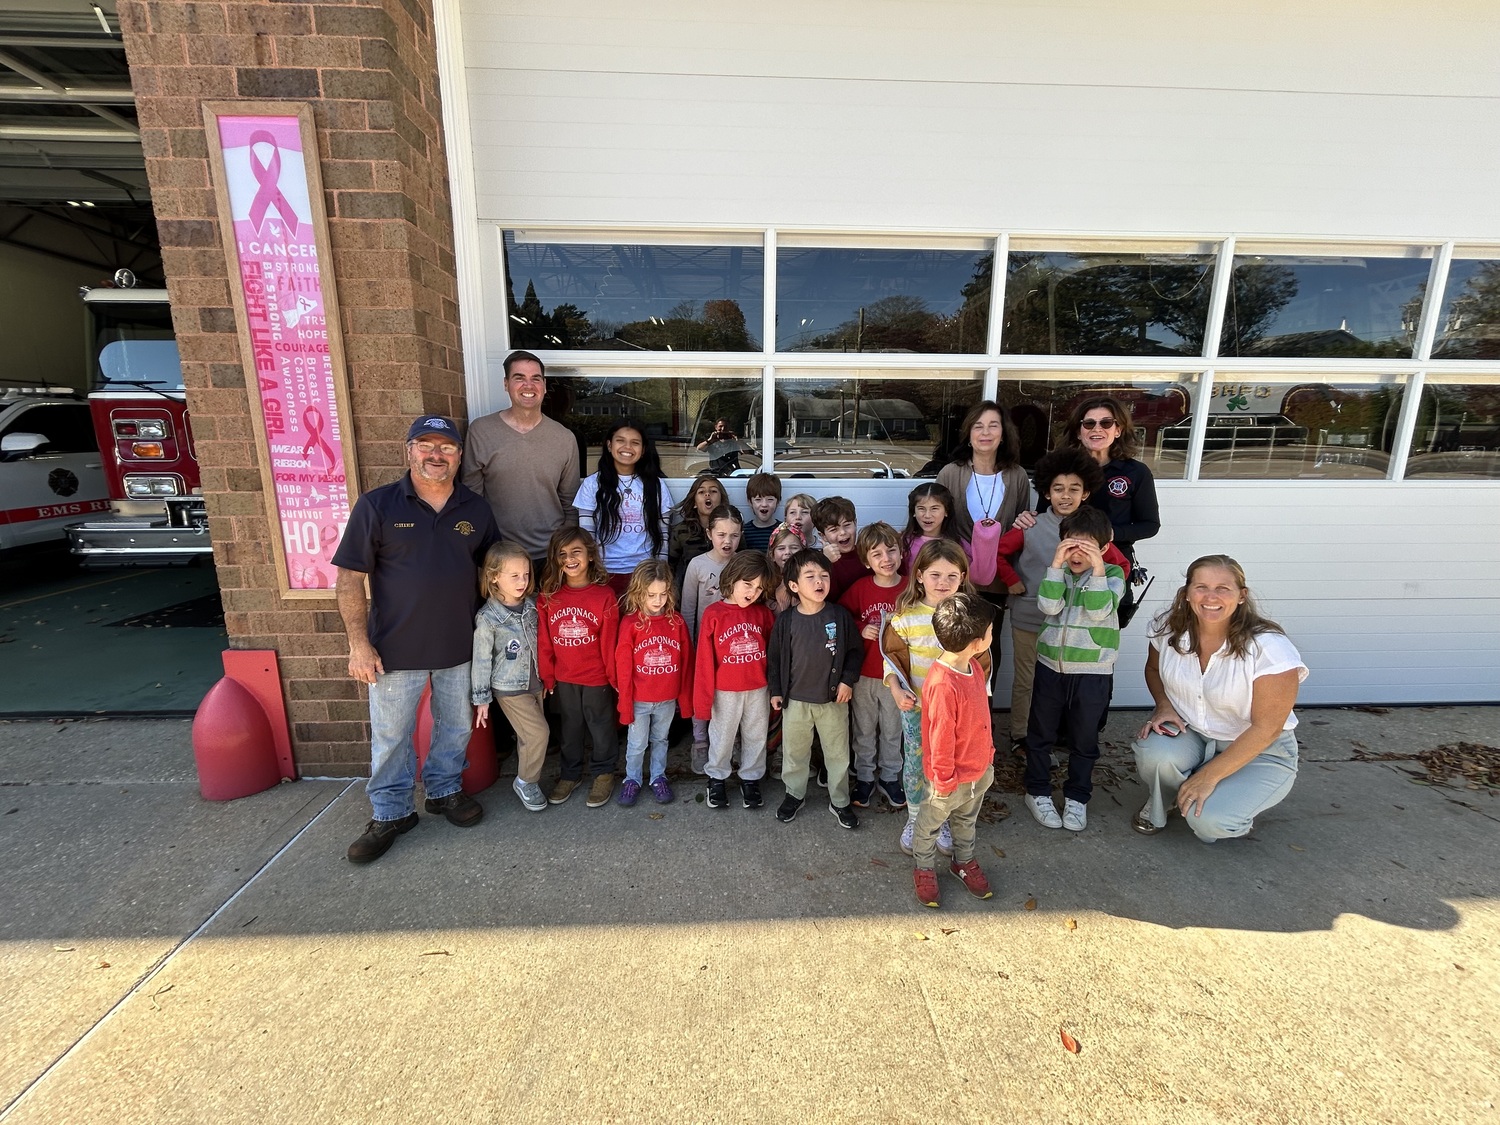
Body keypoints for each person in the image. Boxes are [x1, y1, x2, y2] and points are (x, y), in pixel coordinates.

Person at [334, 414, 499, 864]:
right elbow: (349, 578)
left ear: (459, 456)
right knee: (391, 735)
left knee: (457, 725)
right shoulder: (378, 505)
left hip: (459, 643)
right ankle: (391, 812)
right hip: (393, 648)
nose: (435, 455)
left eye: (446, 447)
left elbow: (494, 573)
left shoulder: (476, 509)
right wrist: (358, 644)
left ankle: (444, 791)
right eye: (425, 445)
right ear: (408, 451)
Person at [1132, 555, 1307, 842]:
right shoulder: (1168, 628)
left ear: (1241, 596)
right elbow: (1153, 668)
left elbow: (1268, 728)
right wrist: (1163, 706)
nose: (1211, 597)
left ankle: (1223, 802)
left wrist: (1208, 776)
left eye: (1223, 588)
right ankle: (1167, 799)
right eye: (1201, 586)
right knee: (1155, 754)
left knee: (1211, 821)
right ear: (1187, 593)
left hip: (1260, 749)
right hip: (1195, 733)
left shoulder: (1269, 648)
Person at [993, 448, 1129, 752]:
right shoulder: (1031, 525)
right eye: (1058, 489)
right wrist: (1013, 582)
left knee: (1061, 685)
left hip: (1077, 626)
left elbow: (1120, 565)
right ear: (1045, 491)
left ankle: (1053, 737)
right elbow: (998, 553)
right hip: (1031, 616)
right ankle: (1021, 736)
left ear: (1086, 492)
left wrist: (1108, 595)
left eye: (1074, 489)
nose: (1065, 496)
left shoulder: (1095, 530)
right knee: (1028, 680)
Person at [1021, 508, 1126, 833]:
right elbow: (1049, 607)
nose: (1076, 554)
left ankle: (1078, 796)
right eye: (1070, 545)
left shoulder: (1112, 575)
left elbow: (1098, 611)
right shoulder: (1058, 573)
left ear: (1104, 548)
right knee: (1040, 734)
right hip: (1051, 666)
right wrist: (1055, 566)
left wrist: (1096, 569)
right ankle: (1037, 791)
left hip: (1093, 673)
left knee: (1084, 739)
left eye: (1087, 547)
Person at [882, 540, 983, 857]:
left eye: (952, 576)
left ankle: (943, 819)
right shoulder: (905, 617)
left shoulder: (969, 617)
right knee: (915, 766)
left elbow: (981, 663)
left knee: (949, 766)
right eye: (936, 575)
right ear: (920, 575)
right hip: (917, 710)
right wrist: (898, 690)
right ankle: (916, 818)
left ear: (963, 578)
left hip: (955, 714)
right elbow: (891, 661)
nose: (943, 583)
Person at [935, 401, 1032, 693]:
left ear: (1004, 434)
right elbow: (938, 526)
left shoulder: (1017, 476)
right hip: (956, 578)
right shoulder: (951, 473)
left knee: (988, 650)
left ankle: (982, 718)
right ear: (968, 433)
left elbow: (1020, 530)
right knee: (951, 646)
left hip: (998, 581)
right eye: (978, 426)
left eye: (993, 425)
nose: (985, 432)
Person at [912, 591, 998, 908]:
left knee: (966, 821)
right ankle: (923, 868)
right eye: (990, 631)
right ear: (976, 641)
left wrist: (987, 756)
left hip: (978, 771)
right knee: (929, 825)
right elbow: (941, 737)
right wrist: (945, 780)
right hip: (947, 781)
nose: (993, 634)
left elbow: (980, 717)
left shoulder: (973, 667)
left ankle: (963, 861)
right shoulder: (943, 684)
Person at [768, 548, 863, 828]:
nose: (819, 581)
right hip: (795, 701)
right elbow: (774, 658)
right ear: (794, 585)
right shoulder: (786, 621)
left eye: (824, 575)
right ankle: (794, 794)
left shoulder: (839, 615)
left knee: (837, 754)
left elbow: (855, 652)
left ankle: (840, 800)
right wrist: (776, 690)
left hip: (832, 701)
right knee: (795, 753)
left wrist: (847, 679)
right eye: (810, 576)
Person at [461, 350, 581, 570]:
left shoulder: (564, 438)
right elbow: (471, 498)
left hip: (551, 556)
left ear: (544, 385)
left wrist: (564, 550)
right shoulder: (481, 431)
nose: (529, 385)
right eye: (519, 378)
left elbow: (571, 504)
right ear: (506, 384)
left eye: (536, 378)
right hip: (500, 555)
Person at [537, 527, 620, 808]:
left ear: (590, 555)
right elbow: (545, 642)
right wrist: (547, 676)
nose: (569, 559)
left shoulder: (604, 596)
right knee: (569, 728)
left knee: (600, 727)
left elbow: (609, 643)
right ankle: (570, 774)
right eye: (562, 554)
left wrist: (612, 676)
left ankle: (604, 772)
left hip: (596, 676)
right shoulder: (549, 596)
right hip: (564, 677)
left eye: (576, 552)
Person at [1060, 395, 1161, 626]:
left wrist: (1112, 534)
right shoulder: (1064, 468)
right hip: (1068, 560)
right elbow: (1047, 512)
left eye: (1106, 423)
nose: (1097, 429)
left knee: (1103, 631)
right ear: (1078, 431)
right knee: (1064, 624)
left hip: (1114, 564)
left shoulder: (1136, 472)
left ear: (1118, 430)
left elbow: (1150, 525)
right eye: (1089, 423)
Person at [470, 542, 549, 814]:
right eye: (514, 576)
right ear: (493, 576)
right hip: (509, 687)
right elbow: (481, 660)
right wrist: (481, 699)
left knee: (529, 735)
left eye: (526, 574)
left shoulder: (533, 605)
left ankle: (526, 773)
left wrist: (549, 675)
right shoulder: (488, 619)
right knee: (539, 733)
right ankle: (526, 781)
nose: (522, 581)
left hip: (536, 681)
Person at [695, 551, 777, 810]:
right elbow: (705, 659)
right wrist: (704, 698)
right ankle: (716, 776)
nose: (753, 592)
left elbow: (773, 655)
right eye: (748, 584)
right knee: (722, 735)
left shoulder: (763, 614)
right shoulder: (714, 613)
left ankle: (750, 777)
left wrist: (776, 688)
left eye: (759, 587)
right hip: (725, 689)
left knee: (755, 734)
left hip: (758, 687)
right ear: (732, 578)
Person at [838, 522, 908, 810]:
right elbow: (841, 616)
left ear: (901, 554)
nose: (886, 559)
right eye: (876, 554)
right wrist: (860, 627)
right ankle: (865, 777)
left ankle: (891, 777)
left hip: (899, 676)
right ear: (866, 561)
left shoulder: (909, 589)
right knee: (864, 729)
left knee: (893, 729)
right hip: (865, 674)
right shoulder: (860, 589)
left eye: (891, 551)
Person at [613, 560, 693, 808]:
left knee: (661, 739)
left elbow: (686, 660)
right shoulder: (630, 624)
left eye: (663, 594)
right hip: (639, 699)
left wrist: (684, 699)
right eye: (651, 595)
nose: (658, 600)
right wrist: (625, 702)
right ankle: (632, 779)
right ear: (639, 593)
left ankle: (658, 776)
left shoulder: (676, 622)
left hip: (667, 698)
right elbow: (623, 667)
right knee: (637, 743)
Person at [575, 418, 673, 598]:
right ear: (609, 445)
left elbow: (663, 537)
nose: (627, 447)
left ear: (643, 450)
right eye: (620, 440)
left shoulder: (656, 486)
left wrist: (660, 574)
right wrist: (589, 573)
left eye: (635, 443)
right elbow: (586, 537)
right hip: (603, 573)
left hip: (644, 575)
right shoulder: (591, 485)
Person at [669, 473, 727, 587]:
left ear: (721, 500)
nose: (707, 494)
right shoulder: (681, 531)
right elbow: (670, 567)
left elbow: (741, 562)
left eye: (713, 491)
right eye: (701, 492)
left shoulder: (731, 529)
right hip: (690, 592)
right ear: (694, 503)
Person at [899, 482, 967, 570]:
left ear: (946, 511)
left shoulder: (959, 544)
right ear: (913, 512)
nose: (927, 515)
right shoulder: (904, 542)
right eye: (921, 508)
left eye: (934, 508)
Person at [813, 495, 869, 601]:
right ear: (823, 535)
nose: (843, 532)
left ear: (855, 523)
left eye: (847, 525)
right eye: (834, 529)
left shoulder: (868, 552)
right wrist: (825, 563)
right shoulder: (818, 562)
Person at [741, 471, 783, 553]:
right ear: (750, 502)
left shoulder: (783, 530)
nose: (764, 504)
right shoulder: (744, 532)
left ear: (778, 502)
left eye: (770, 499)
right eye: (758, 500)